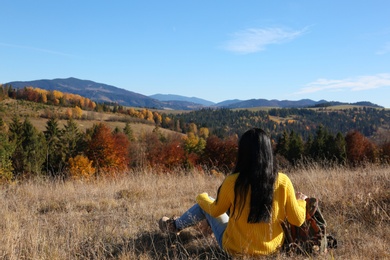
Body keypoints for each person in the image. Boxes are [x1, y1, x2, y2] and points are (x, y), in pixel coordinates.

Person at [159, 128, 307, 256]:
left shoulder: (234, 181)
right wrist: (301, 201)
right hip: (271, 250)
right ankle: (185, 226)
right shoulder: (283, 181)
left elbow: (215, 210)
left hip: (235, 249)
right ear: (269, 152)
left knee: (204, 205)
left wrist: (201, 197)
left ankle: (174, 226)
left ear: (243, 153)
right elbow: (298, 220)